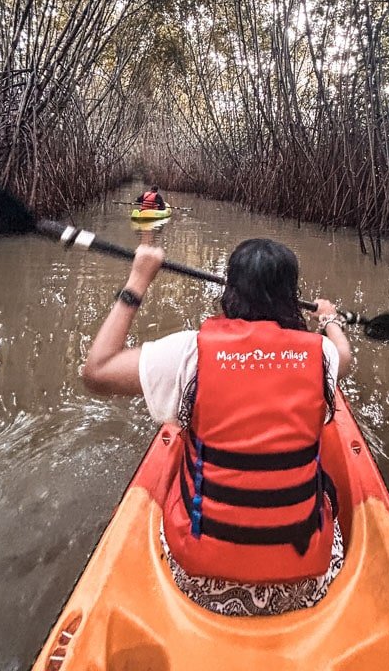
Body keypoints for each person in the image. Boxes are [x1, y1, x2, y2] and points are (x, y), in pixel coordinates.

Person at [82, 238, 352, 616]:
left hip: (200, 581)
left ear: (230, 291)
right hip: (303, 583)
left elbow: (96, 372)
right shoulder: (320, 354)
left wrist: (137, 280)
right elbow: (344, 355)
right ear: (292, 296)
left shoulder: (190, 353)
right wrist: (329, 320)